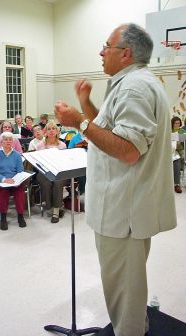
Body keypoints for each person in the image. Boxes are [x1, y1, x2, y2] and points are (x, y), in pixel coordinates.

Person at [54, 23, 177, 336]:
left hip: (123, 211)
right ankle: (137, 324)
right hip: (125, 206)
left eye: (106, 45)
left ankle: (130, 331)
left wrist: (78, 122)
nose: (101, 51)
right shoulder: (129, 83)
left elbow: (128, 150)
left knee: (122, 287)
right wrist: (84, 104)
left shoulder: (134, 88)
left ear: (126, 53)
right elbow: (109, 129)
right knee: (129, 283)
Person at [0, 132, 27, 230]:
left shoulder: (17, 155)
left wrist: (15, 180)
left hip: (14, 180)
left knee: (19, 191)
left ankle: (20, 216)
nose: (8, 141)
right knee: (3, 192)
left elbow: (20, 171)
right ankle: (3, 217)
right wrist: (4, 179)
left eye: (10, 139)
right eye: (5, 139)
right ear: (1, 142)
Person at [36, 121, 67, 223]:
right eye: (49, 129)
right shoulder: (40, 145)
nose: (51, 131)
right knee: (47, 182)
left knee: (58, 183)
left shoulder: (62, 145)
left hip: (59, 171)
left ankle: (56, 212)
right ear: (45, 132)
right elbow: (38, 163)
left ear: (57, 131)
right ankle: (50, 207)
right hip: (44, 172)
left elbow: (65, 162)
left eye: (53, 128)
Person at [171, 116, 185, 193]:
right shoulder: (168, 130)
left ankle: (177, 184)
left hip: (177, 150)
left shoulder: (182, 131)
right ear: (172, 123)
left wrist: (177, 141)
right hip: (168, 150)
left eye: (179, 123)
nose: (177, 125)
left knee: (178, 160)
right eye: (176, 123)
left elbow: (182, 145)